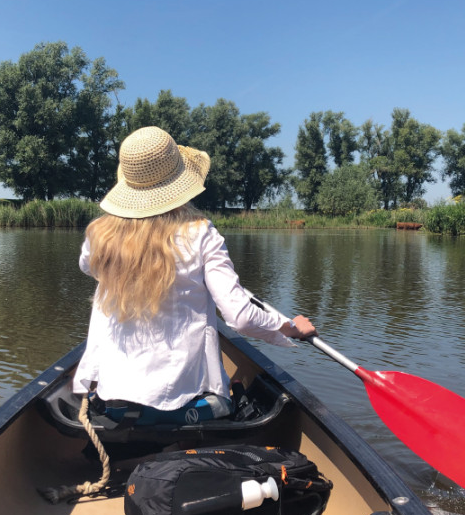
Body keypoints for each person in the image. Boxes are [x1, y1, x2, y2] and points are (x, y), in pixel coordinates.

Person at [73, 126, 316, 424]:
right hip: (180, 405)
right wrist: (289, 326)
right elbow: (240, 317)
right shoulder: (200, 233)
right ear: (179, 181)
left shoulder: (99, 235)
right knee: (231, 398)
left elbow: (88, 267)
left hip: (113, 402)